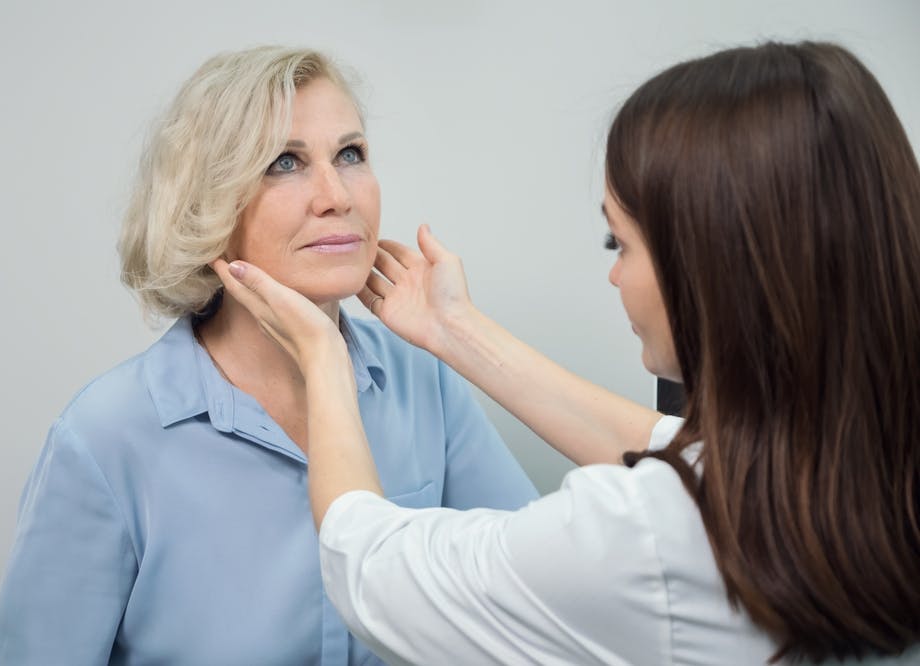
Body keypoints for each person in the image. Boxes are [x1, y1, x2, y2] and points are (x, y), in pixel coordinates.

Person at [215, 41, 920, 665]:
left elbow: (370, 571)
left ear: (716, 269)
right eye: (285, 163)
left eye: (622, 243)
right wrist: (454, 330)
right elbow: (689, 458)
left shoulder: (653, 536)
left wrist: (325, 361)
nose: (615, 274)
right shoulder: (861, 466)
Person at [0, 46, 537, 665]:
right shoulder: (105, 438)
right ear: (208, 209)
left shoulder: (422, 378)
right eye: (284, 162)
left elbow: (536, 599)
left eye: (350, 154)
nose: (336, 196)